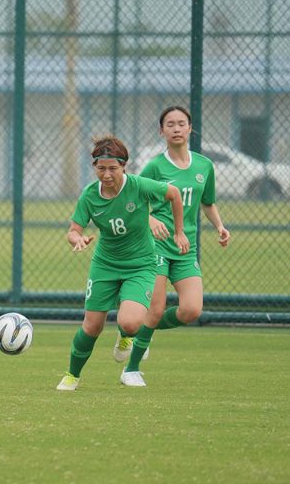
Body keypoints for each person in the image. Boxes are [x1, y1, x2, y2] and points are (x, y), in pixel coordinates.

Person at [56, 135, 189, 392]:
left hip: (140, 264)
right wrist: (78, 239)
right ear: (94, 166)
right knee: (92, 325)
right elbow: (73, 229)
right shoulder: (89, 196)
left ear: (124, 166)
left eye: (112, 169)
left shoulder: (138, 186)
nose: (106, 175)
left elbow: (173, 194)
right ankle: (72, 375)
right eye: (100, 168)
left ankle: (126, 337)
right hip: (105, 264)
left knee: (130, 323)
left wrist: (179, 232)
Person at [120, 106, 230, 385]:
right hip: (154, 245)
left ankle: (146, 332)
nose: (177, 128)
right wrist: (149, 219)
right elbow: (131, 200)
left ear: (190, 128)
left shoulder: (204, 165)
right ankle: (130, 370)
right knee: (155, 309)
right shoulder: (155, 166)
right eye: (170, 124)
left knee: (191, 310)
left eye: (182, 123)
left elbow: (207, 202)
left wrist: (219, 226)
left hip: (184, 247)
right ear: (162, 131)